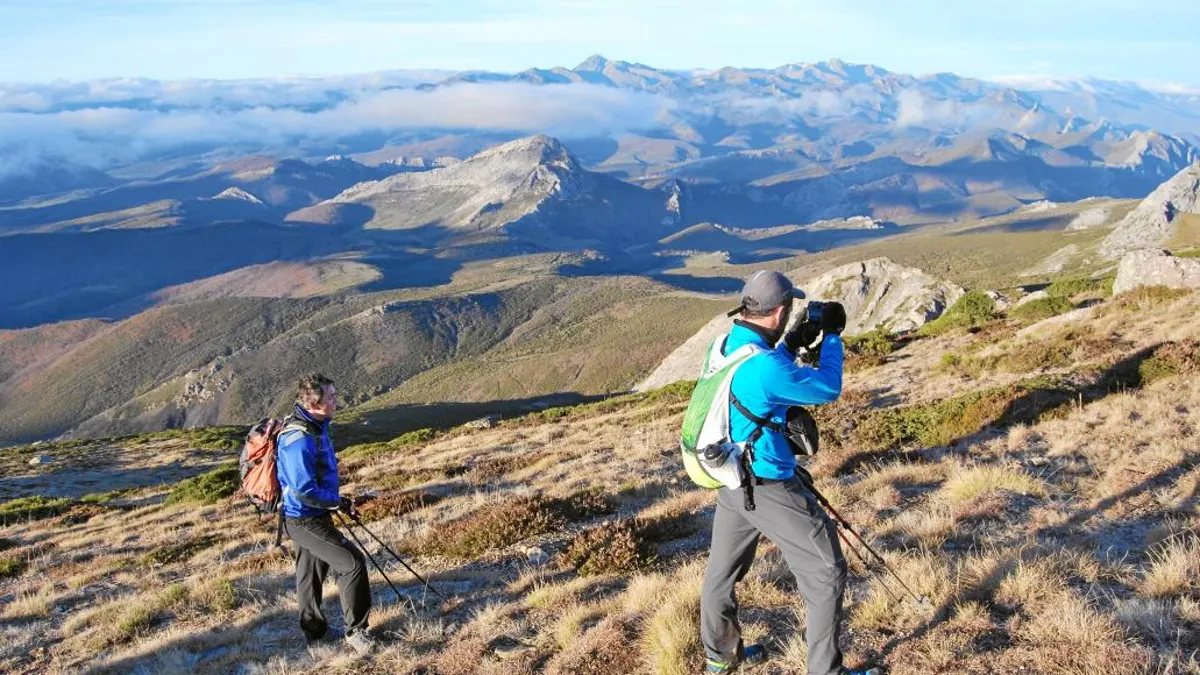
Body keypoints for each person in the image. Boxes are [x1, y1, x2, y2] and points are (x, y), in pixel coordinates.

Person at [700, 271, 879, 675]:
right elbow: (827, 388)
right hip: (769, 484)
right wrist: (831, 337)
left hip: (731, 478)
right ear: (780, 310)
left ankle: (720, 659)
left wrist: (793, 341)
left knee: (721, 574)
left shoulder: (725, 345)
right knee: (826, 571)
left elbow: (761, 376)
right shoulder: (765, 368)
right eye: (792, 309)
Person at [276, 373, 375, 655]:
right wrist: (334, 501)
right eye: (331, 397)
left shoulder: (315, 426)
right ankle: (356, 632)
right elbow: (303, 490)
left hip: (309, 515)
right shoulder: (300, 439)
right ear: (314, 403)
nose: (336, 401)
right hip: (305, 518)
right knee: (352, 563)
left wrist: (334, 501)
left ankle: (315, 634)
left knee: (309, 573)